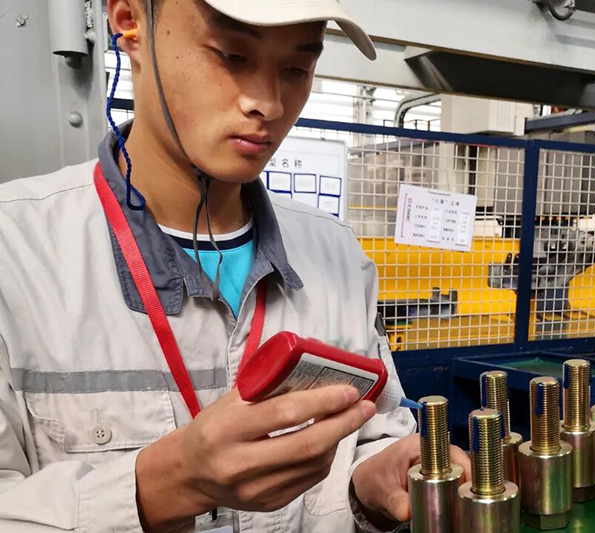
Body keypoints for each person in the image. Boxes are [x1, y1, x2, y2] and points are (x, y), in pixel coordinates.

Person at [0, 0, 470, 531]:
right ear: (130, 21)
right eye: (231, 55)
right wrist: (163, 486)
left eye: (296, 68)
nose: (268, 103)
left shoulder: (337, 255)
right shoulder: (16, 251)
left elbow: (371, 435)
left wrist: (372, 479)